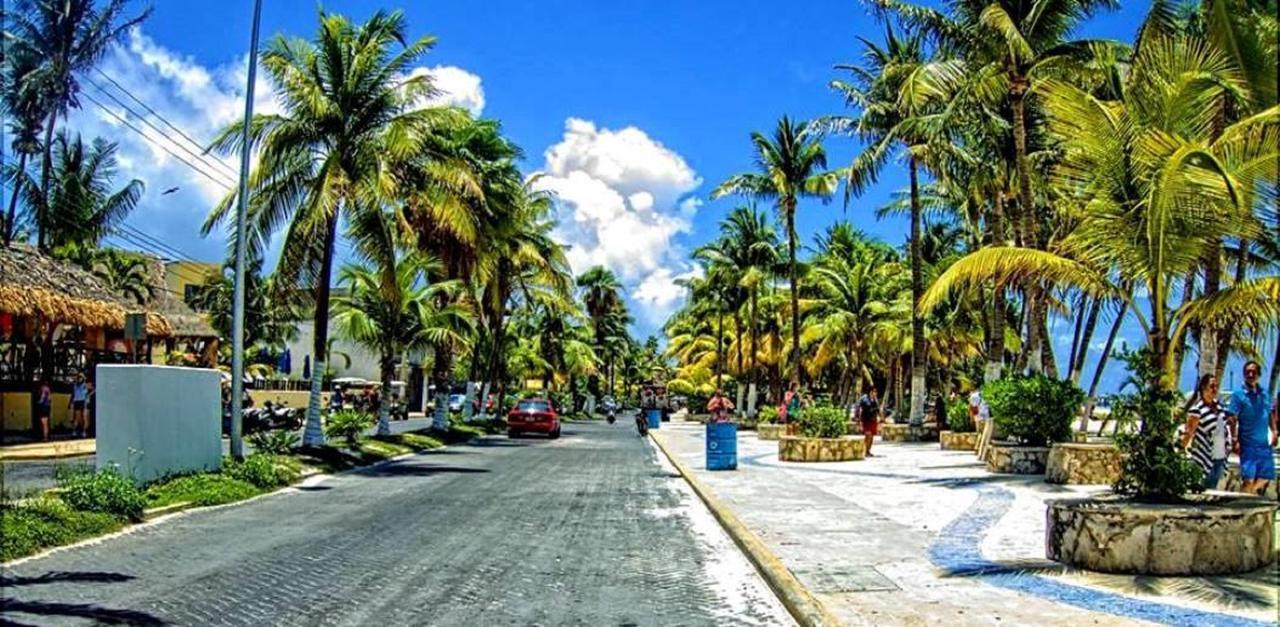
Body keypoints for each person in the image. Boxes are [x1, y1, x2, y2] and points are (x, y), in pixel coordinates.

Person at [1226, 361, 1275, 495]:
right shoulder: (1238, 395)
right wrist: (1235, 439)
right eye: (1247, 372)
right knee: (1248, 479)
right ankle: (1241, 505)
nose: (1250, 374)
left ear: (1259, 374)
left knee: (1266, 477)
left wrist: (1275, 431)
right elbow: (1232, 418)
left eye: (1253, 372)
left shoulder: (1265, 394)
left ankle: (1245, 497)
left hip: (1263, 444)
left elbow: (1270, 413)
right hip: (1247, 445)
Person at [1181, 374, 1232, 490]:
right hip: (1204, 457)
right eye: (1211, 386)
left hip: (1219, 457)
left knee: (1212, 489)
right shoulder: (1197, 410)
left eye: (1216, 386)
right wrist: (1180, 449)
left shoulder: (1219, 407)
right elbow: (1189, 433)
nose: (1215, 389)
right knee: (1204, 489)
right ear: (1203, 388)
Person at [857, 387, 881, 457]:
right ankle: (864, 450)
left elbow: (877, 410)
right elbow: (860, 410)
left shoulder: (875, 400)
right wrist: (860, 421)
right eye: (874, 392)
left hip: (873, 420)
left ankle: (868, 451)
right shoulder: (864, 399)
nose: (875, 393)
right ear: (870, 392)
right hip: (866, 420)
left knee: (871, 437)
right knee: (868, 435)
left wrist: (881, 419)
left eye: (876, 392)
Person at [971, 388, 994, 460]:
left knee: (980, 433)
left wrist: (972, 417)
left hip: (978, 418)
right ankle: (979, 449)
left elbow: (972, 407)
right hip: (985, 418)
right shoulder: (987, 395)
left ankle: (977, 448)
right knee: (983, 434)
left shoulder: (974, 396)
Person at [69, 373, 90, 438]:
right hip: (77, 402)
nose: (79, 379)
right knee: (77, 418)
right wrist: (70, 402)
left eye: (81, 378)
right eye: (78, 378)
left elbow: (90, 390)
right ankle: (75, 432)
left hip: (83, 402)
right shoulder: (75, 386)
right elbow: (73, 394)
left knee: (84, 417)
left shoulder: (85, 385)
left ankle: (83, 432)